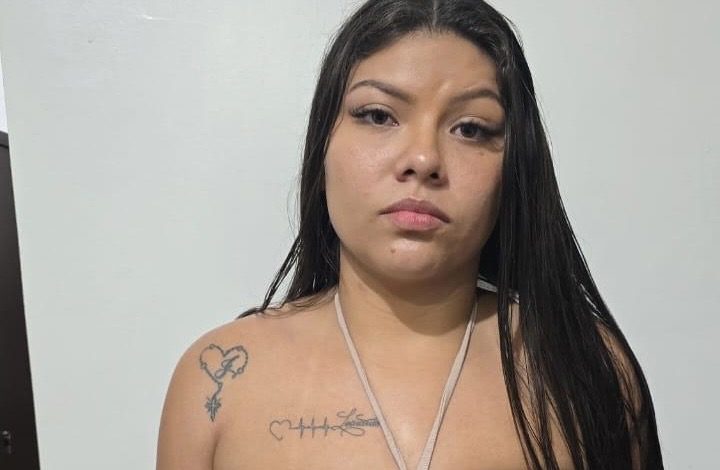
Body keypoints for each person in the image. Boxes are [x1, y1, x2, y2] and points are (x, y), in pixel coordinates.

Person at [156, 1, 664, 469]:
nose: (423, 158)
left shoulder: (588, 368)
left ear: (515, 167)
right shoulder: (220, 384)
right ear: (322, 146)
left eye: (470, 128)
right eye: (378, 116)